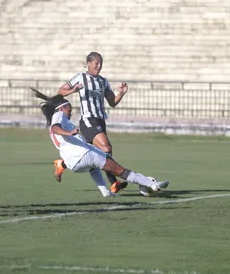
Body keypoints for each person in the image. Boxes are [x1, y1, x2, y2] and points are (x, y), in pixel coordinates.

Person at [31, 87, 169, 196]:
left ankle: (105, 192)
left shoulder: (56, 122)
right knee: (119, 170)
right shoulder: (59, 115)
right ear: (61, 108)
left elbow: (54, 130)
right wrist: (70, 132)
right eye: (69, 109)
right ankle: (151, 184)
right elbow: (56, 128)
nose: (70, 112)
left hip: (74, 164)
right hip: (83, 154)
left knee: (95, 167)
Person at [56, 52, 129, 194]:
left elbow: (112, 102)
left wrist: (121, 93)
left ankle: (62, 164)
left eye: (101, 63)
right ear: (88, 63)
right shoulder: (81, 77)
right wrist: (73, 90)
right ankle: (114, 183)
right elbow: (60, 91)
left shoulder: (103, 81)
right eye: (96, 63)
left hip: (100, 121)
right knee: (106, 148)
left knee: (90, 153)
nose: (99, 66)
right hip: (88, 120)